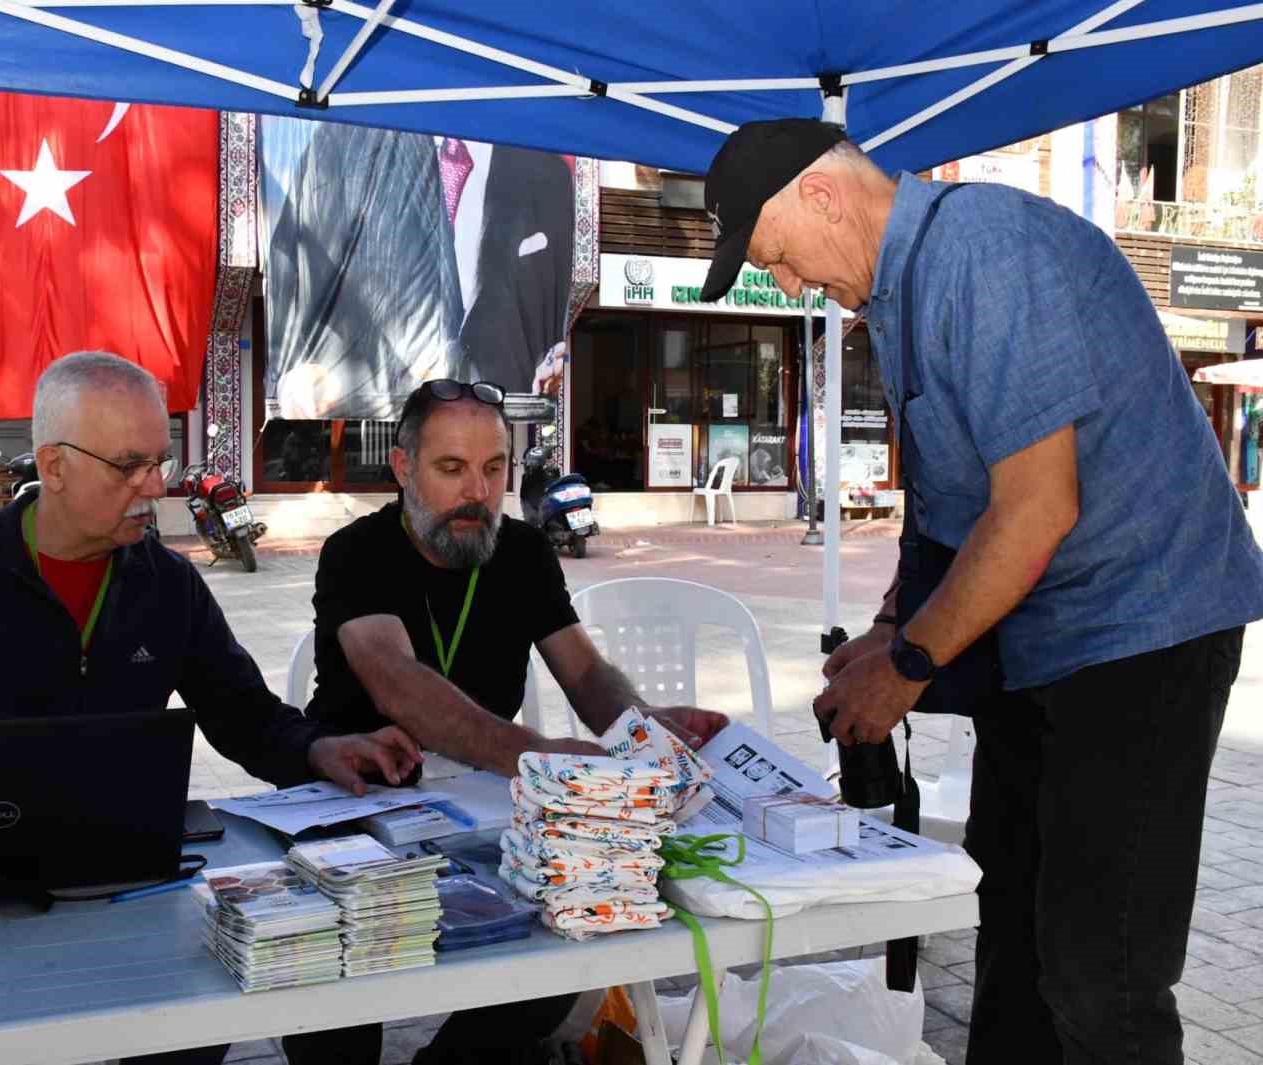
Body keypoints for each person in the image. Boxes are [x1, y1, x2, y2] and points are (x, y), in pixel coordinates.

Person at [692, 118, 1263, 1064]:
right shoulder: (908, 292)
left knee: (1100, 970)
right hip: (1049, 644)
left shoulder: (985, 252)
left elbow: (1036, 510)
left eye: (778, 257)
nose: (791, 287)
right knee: (1010, 926)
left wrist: (911, 662)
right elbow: (948, 509)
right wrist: (886, 631)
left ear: (822, 197)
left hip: (1142, 631)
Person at [0, 351, 421, 1065]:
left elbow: (243, 712)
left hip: (134, 886)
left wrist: (319, 749)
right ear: (52, 466)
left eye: (162, 461)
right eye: (129, 465)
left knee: (197, 1026)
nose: (157, 487)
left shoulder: (167, 584)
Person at [289, 377, 729, 1065]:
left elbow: (584, 671)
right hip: (356, 801)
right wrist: (540, 753)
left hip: (487, 810)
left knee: (568, 935)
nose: (478, 492)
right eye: (452, 468)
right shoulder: (357, 552)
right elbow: (400, 685)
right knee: (334, 984)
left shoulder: (521, 551)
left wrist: (642, 725)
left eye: (495, 468)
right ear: (403, 468)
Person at [267, 124, 575, 419]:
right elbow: (293, 261)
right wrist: (297, 369)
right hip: (380, 402)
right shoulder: (346, 143)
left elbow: (542, 318)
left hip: (485, 414)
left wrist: (539, 380)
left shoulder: (546, 173)